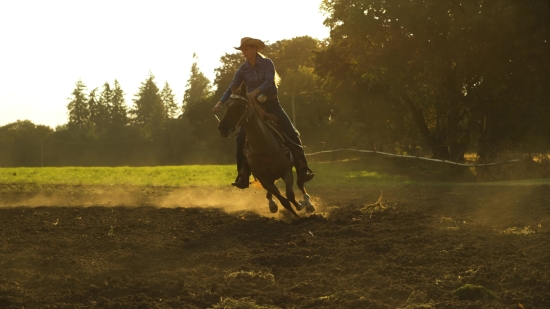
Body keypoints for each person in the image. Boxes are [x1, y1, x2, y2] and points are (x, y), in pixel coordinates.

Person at [213, 37, 315, 189]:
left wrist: (255, 91)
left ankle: (302, 168)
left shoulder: (267, 64)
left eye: (246, 49)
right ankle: (243, 175)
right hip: (253, 108)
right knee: (240, 138)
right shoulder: (243, 69)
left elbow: (269, 82)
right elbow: (231, 87)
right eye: (242, 50)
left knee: (291, 133)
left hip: (271, 104)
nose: (244, 53)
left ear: (254, 49)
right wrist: (221, 101)